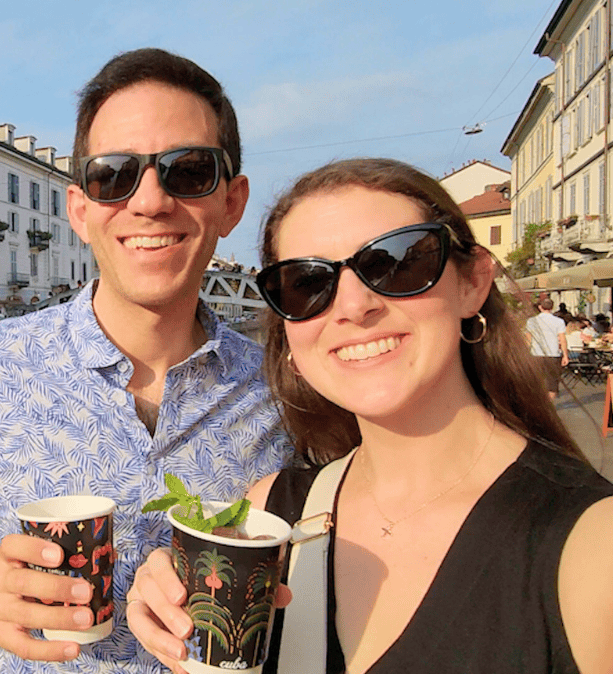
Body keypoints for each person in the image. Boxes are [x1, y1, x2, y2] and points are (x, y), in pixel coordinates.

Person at [0, 48, 290, 672]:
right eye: (113, 175)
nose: (150, 201)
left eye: (187, 170)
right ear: (80, 210)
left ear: (231, 203)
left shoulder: (281, 386)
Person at [128, 158, 613, 674]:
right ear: (288, 335)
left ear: (472, 282)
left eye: (396, 263)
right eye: (305, 283)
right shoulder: (273, 512)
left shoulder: (591, 548)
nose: (353, 305)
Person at [525, 298, 568, 400]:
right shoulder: (559, 321)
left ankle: (539, 404)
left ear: (540, 307)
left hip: (536, 354)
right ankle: (550, 405)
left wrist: (526, 353)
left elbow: (528, 339)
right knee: (552, 383)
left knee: (537, 381)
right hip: (553, 354)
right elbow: (562, 339)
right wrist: (565, 355)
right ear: (552, 307)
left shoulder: (531, 321)